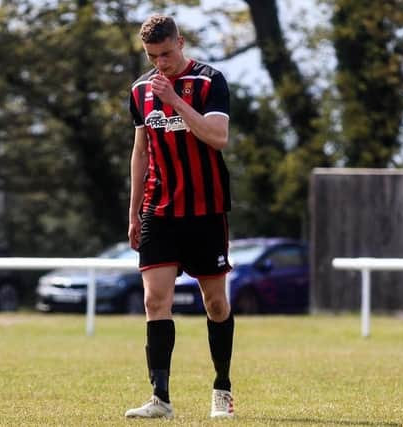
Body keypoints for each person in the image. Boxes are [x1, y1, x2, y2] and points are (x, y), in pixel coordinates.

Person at [124, 14, 235, 419]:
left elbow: (218, 137)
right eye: (153, 57)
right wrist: (135, 211)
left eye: (167, 54)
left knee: (216, 304)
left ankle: (222, 389)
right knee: (155, 300)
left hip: (206, 210)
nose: (161, 64)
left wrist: (174, 101)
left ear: (181, 43)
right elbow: (140, 152)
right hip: (160, 209)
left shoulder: (209, 82)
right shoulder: (139, 90)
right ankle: (160, 399)